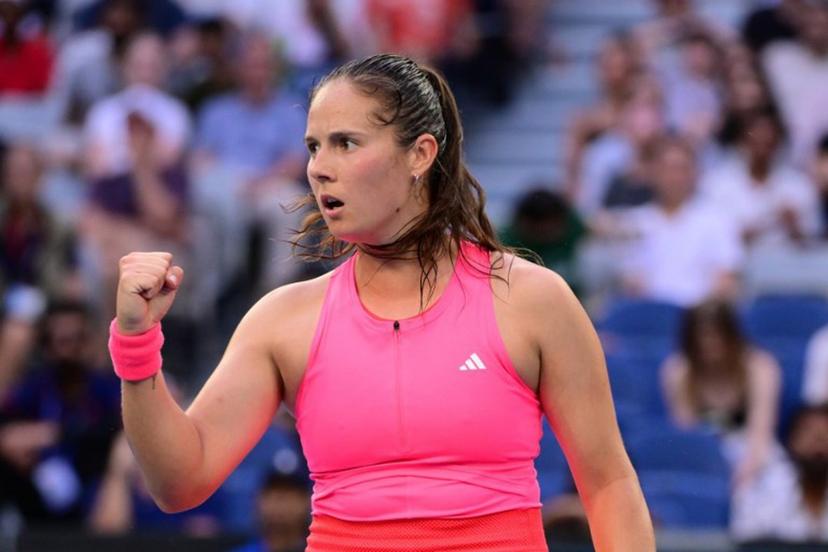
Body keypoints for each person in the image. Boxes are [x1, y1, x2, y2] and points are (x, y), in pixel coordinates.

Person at [109, 54, 654, 550]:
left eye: (345, 143)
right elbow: (179, 482)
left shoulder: (532, 297)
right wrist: (136, 346)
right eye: (313, 146)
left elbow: (608, 484)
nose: (320, 166)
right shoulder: (282, 319)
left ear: (420, 154)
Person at [661, 299, 782, 486]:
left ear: (732, 336)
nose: (709, 344)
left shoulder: (760, 368)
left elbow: (761, 434)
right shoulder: (678, 371)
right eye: (701, 337)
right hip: (704, 455)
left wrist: (744, 474)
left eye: (716, 336)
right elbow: (686, 435)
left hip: (752, 451)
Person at [731, 403, 828, 542]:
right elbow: (745, 537)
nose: (818, 440)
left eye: (826, 433)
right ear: (791, 441)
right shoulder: (765, 487)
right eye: (809, 431)